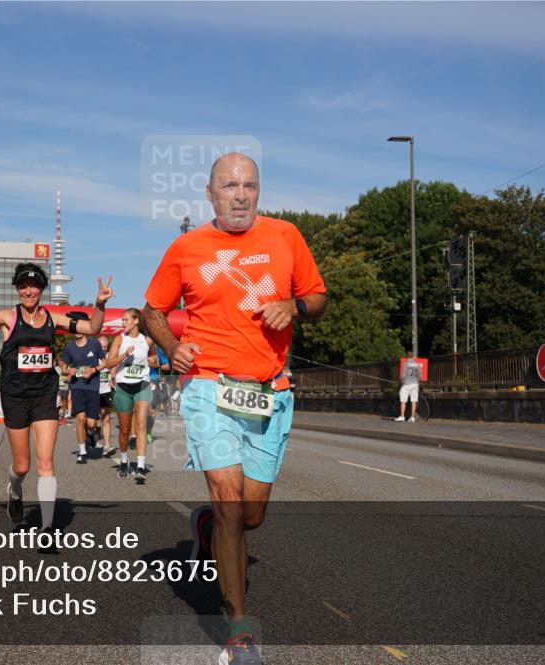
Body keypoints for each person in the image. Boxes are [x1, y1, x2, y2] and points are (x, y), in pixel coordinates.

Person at [142, 153, 327, 665]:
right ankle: (240, 632)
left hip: (270, 389)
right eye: (229, 185)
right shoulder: (187, 247)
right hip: (208, 386)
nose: (240, 194)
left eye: (249, 185)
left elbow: (318, 296)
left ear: (259, 191)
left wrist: (295, 306)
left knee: (251, 515)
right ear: (210, 193)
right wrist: (168, 346)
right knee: (227, 498)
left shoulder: (286, 236)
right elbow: (152, 311)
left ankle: (207, 530)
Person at [0, 263, 113, 537]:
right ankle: (15, 490)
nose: (28, 291)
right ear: (18, 290)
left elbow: (92, 327)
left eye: (33, 286)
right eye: (23, 286)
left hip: (44, 395)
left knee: (46, 463)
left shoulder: (53, 318)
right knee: (22, 465)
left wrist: (99, 304)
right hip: (15, 396)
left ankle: (46, 527)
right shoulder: (8, 317)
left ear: (41, 289)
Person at [108, 307, 158, 483]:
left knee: (141, 425)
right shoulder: (119, 339)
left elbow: (155, 360)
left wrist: (154, 361)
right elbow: (108, 363)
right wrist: (124, 355)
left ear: (136, 321)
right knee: (124, 430)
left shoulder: (147, 341)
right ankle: (123, 462)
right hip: (124, 388)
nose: (123, 323)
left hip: (142, 386)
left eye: (126, 319)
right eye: (122, 320)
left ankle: (141, 466)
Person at [59, 316, 106, 464]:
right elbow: (64, 369)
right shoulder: (69, 347)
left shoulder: (94, 344)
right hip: (77, 386)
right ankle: (82, 451)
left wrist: (94, 369)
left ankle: (92, 433)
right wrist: (69, 371)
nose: (77, 330)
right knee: (80, 418)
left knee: (91, 422)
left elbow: (105, 362)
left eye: (79, 326)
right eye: (74, 327)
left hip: (92, 386)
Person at [97, 336, 116, 457]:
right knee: (91, 421)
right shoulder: (91, 357)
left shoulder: (109, 357)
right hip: (92, 391)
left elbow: (113, 369)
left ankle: (107, 446)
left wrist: (113, 375)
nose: (103, 349)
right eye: (101, 347)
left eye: (105, 347)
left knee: (106, 418)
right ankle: (93, 430)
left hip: (105, 391)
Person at [396, 351, 422, 422]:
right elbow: (420, 375)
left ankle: (402, 416)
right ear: (412, 356)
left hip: (407, 384)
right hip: (415, 383)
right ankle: (412, 417)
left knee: (403, 400)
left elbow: (403, 376)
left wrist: (401, 382)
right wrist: (418, 381)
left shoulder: (406, 364)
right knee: (413, 401)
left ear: (407, 356)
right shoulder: (417, 364)